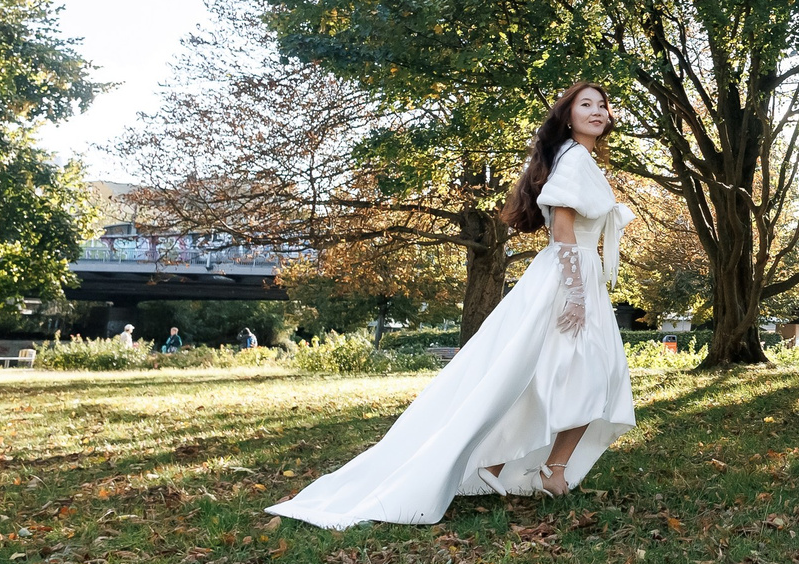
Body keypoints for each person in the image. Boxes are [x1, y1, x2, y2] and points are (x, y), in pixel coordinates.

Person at [269, 83, 635, 526]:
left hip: (575, 277)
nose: (597, 111)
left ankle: (515, 464)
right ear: (568, 115)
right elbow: (561, 230)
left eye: (602, 105)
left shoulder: (578, 159)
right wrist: (576, 293)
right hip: (566, 279)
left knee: (552, 374)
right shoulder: (574, 159)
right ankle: (543, 468)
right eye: (586, 105)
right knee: (581, 374)